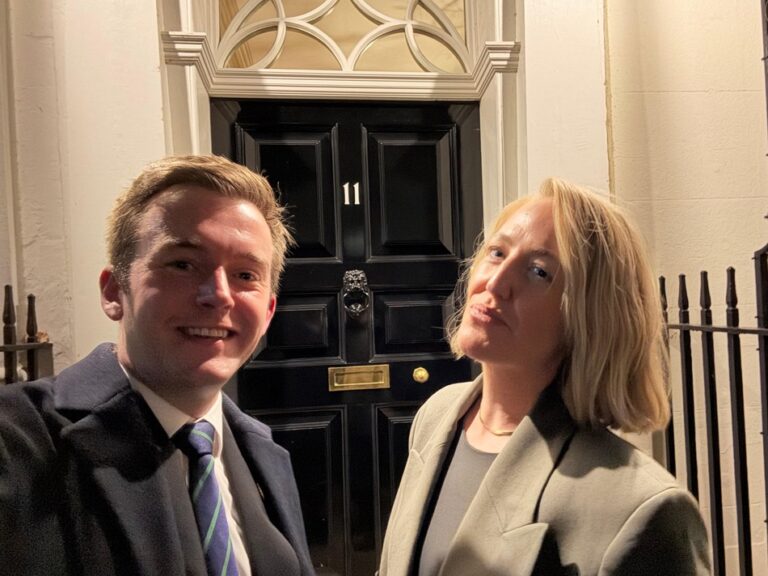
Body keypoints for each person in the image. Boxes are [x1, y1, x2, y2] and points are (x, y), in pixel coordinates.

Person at [0, 155, 315, 576]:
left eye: (245, 275)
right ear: (115, 291)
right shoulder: (15, 442)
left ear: (268, 311)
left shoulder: (264, 452)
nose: (219, 296)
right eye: (183, 264)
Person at [379, 178, 710, 575]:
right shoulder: (437, 416)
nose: (496, 283)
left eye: (538, 272)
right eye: (497, 252)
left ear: (589, 317)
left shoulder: (641, 508)